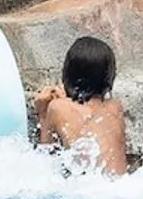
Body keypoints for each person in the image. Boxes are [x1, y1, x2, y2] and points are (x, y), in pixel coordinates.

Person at [32, 36, 128, 176]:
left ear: (68, 72)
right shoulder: (115, 107)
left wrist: (42, 113)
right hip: (120, 184)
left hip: (88, 186)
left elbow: (45, 158)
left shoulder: (57, 107)